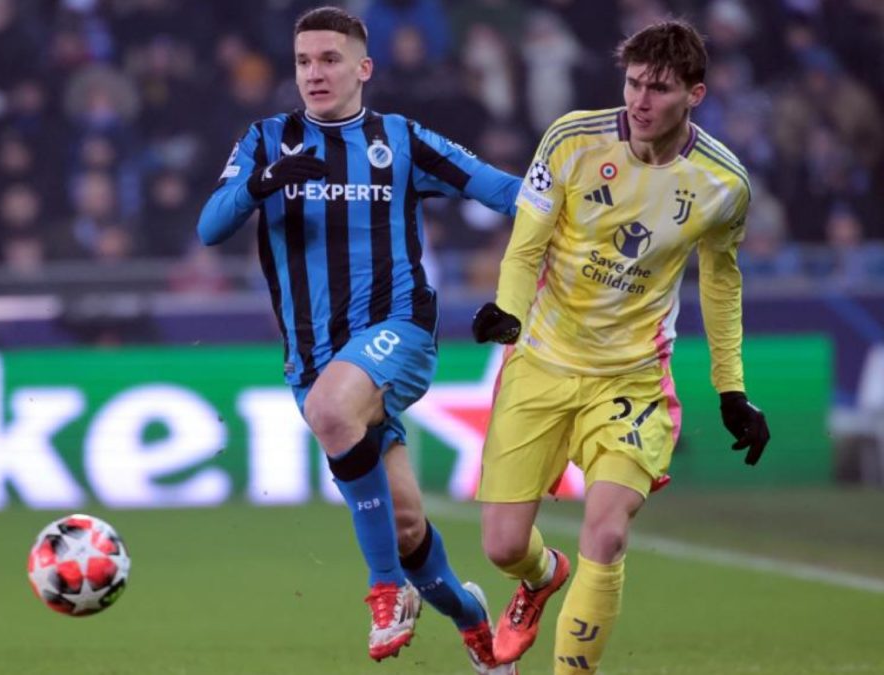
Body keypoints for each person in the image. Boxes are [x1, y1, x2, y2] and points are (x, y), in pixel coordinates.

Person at [196, 7, 520, 674]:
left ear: (363, 68)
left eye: (330, 59)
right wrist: (261, 185)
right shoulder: (265, 140)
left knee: (332, 410)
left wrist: (588, 208)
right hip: (315, 360)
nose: (315, 73)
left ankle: (385, 590)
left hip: (397, 330)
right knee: (405, 529)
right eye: (304, 62)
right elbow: (209, 226)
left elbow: (501, 190)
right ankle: (472, 618)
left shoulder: (400, 139)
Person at [470, 19, 771, 674]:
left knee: (606, 531)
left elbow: (722, 285)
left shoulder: (724, 185)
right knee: (502, 546)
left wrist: (732, 387)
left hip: (630, 380)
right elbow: (526, 244)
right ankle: (542, 575)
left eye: (658, 88)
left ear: (694, 93)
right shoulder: (572, 139)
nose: (639, 100)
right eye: (633, 83)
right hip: (543, 361)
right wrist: (509, 312)